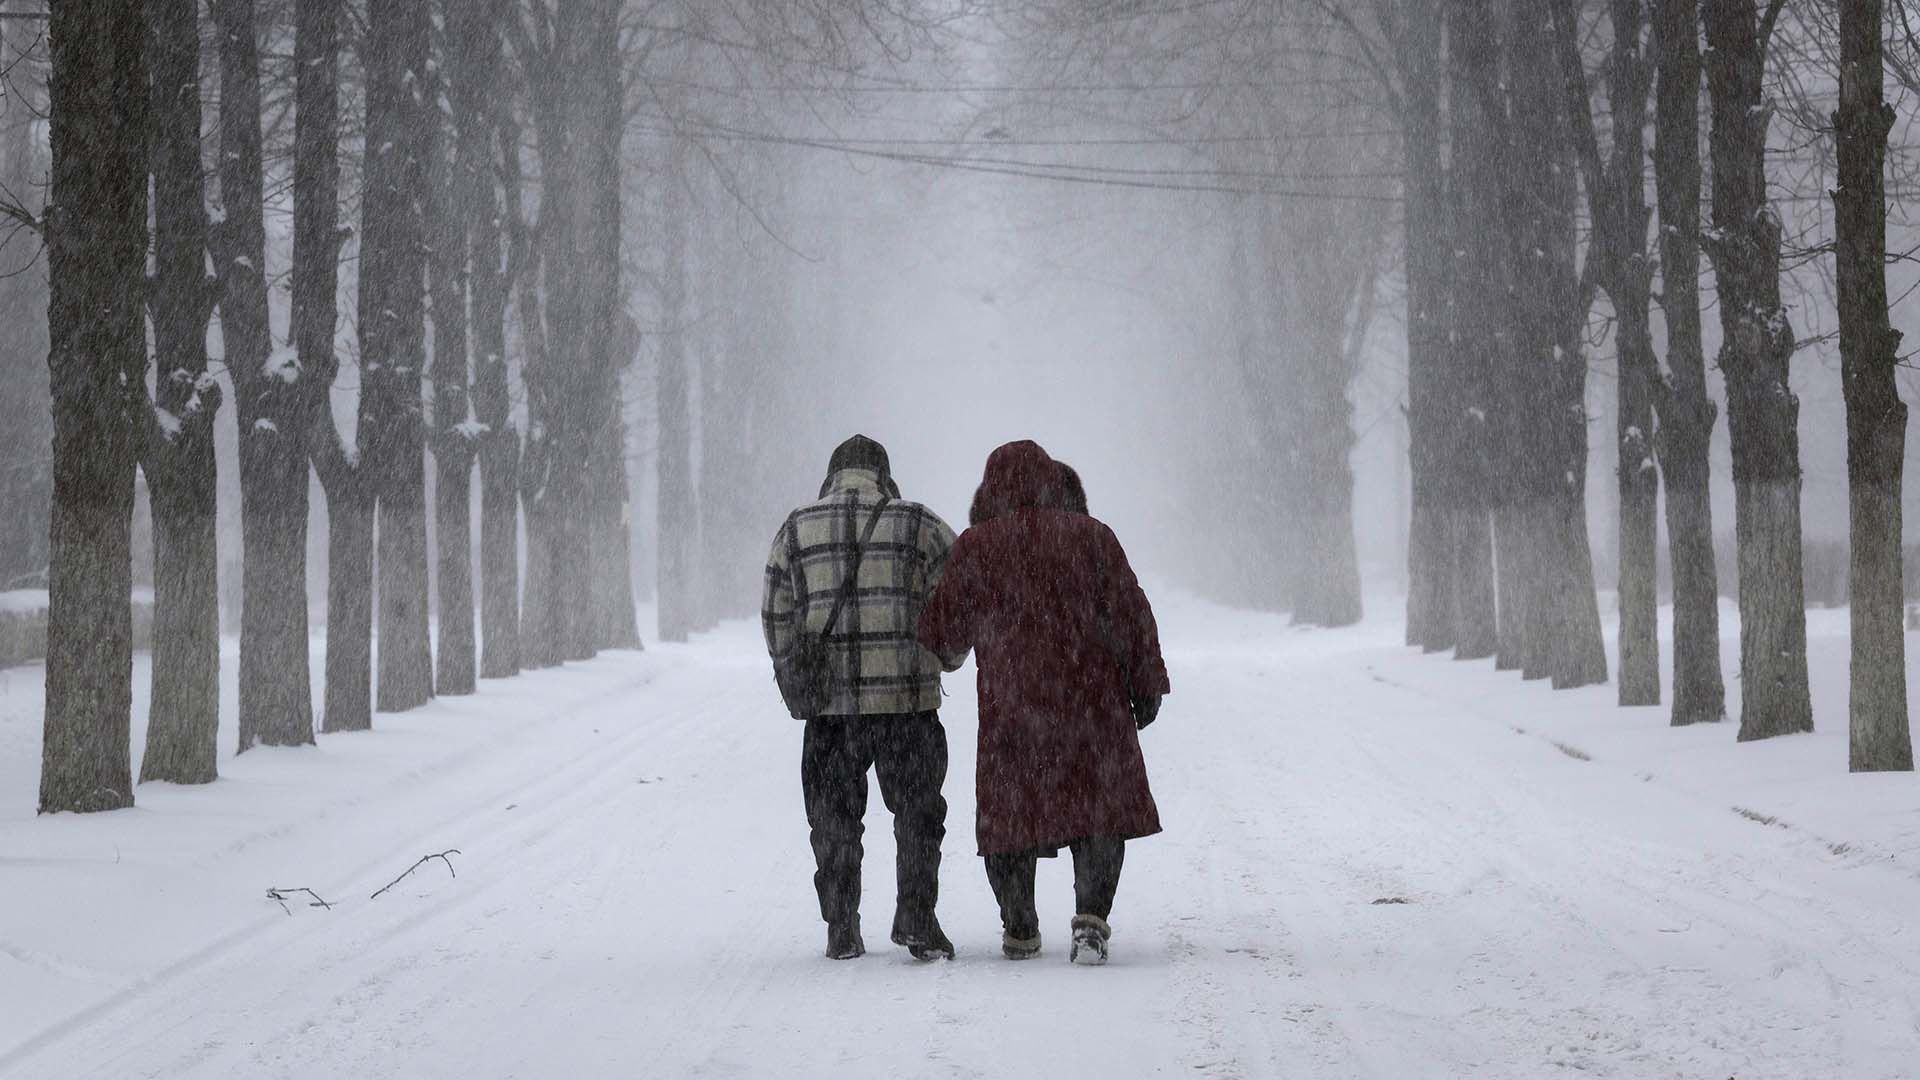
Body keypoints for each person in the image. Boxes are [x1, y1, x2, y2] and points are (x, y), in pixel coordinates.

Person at [918, 441, 1170, 965]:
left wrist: (951, 649)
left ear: (990, 491)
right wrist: (1145, 686)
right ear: (1054, 482)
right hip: (1091, 703)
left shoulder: (977, 546)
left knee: (1010, 813)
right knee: (1098, 813)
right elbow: (1133, 617)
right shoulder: (1094, 539)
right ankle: (1091, 921)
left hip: (1013, 706)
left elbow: (942, 632)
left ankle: (1019, 924)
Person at [762, 435, 960, 961]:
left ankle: (842, 927)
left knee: (833, 816)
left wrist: (794, 681)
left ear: (832, 475)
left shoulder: (796, 528)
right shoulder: (921, 524)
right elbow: (959, 598)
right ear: (884, 475)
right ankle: (916, 917)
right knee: (918, 813)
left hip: (830, 712)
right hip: (907, 705)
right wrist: (948, 656)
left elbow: (776, 614)